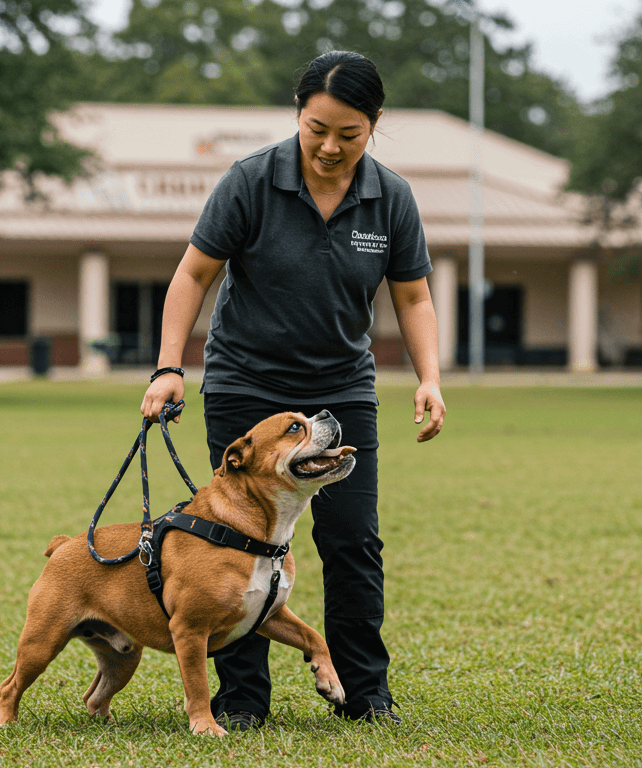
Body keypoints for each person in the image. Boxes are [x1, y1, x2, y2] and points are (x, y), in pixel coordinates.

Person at [140, 50, 445, 730]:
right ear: (298, 117)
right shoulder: (249, 182)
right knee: (230, 546)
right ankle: (243, 699)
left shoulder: (389, 197)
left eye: (349, 133)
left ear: (374, 126)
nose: (330, 146)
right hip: (249, 386)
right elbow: (192, 277)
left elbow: (414, 295)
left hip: (339, 389)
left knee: (352, 540)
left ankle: (365, 693)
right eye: (317, 128)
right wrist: (168, 366)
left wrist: (428, 377)